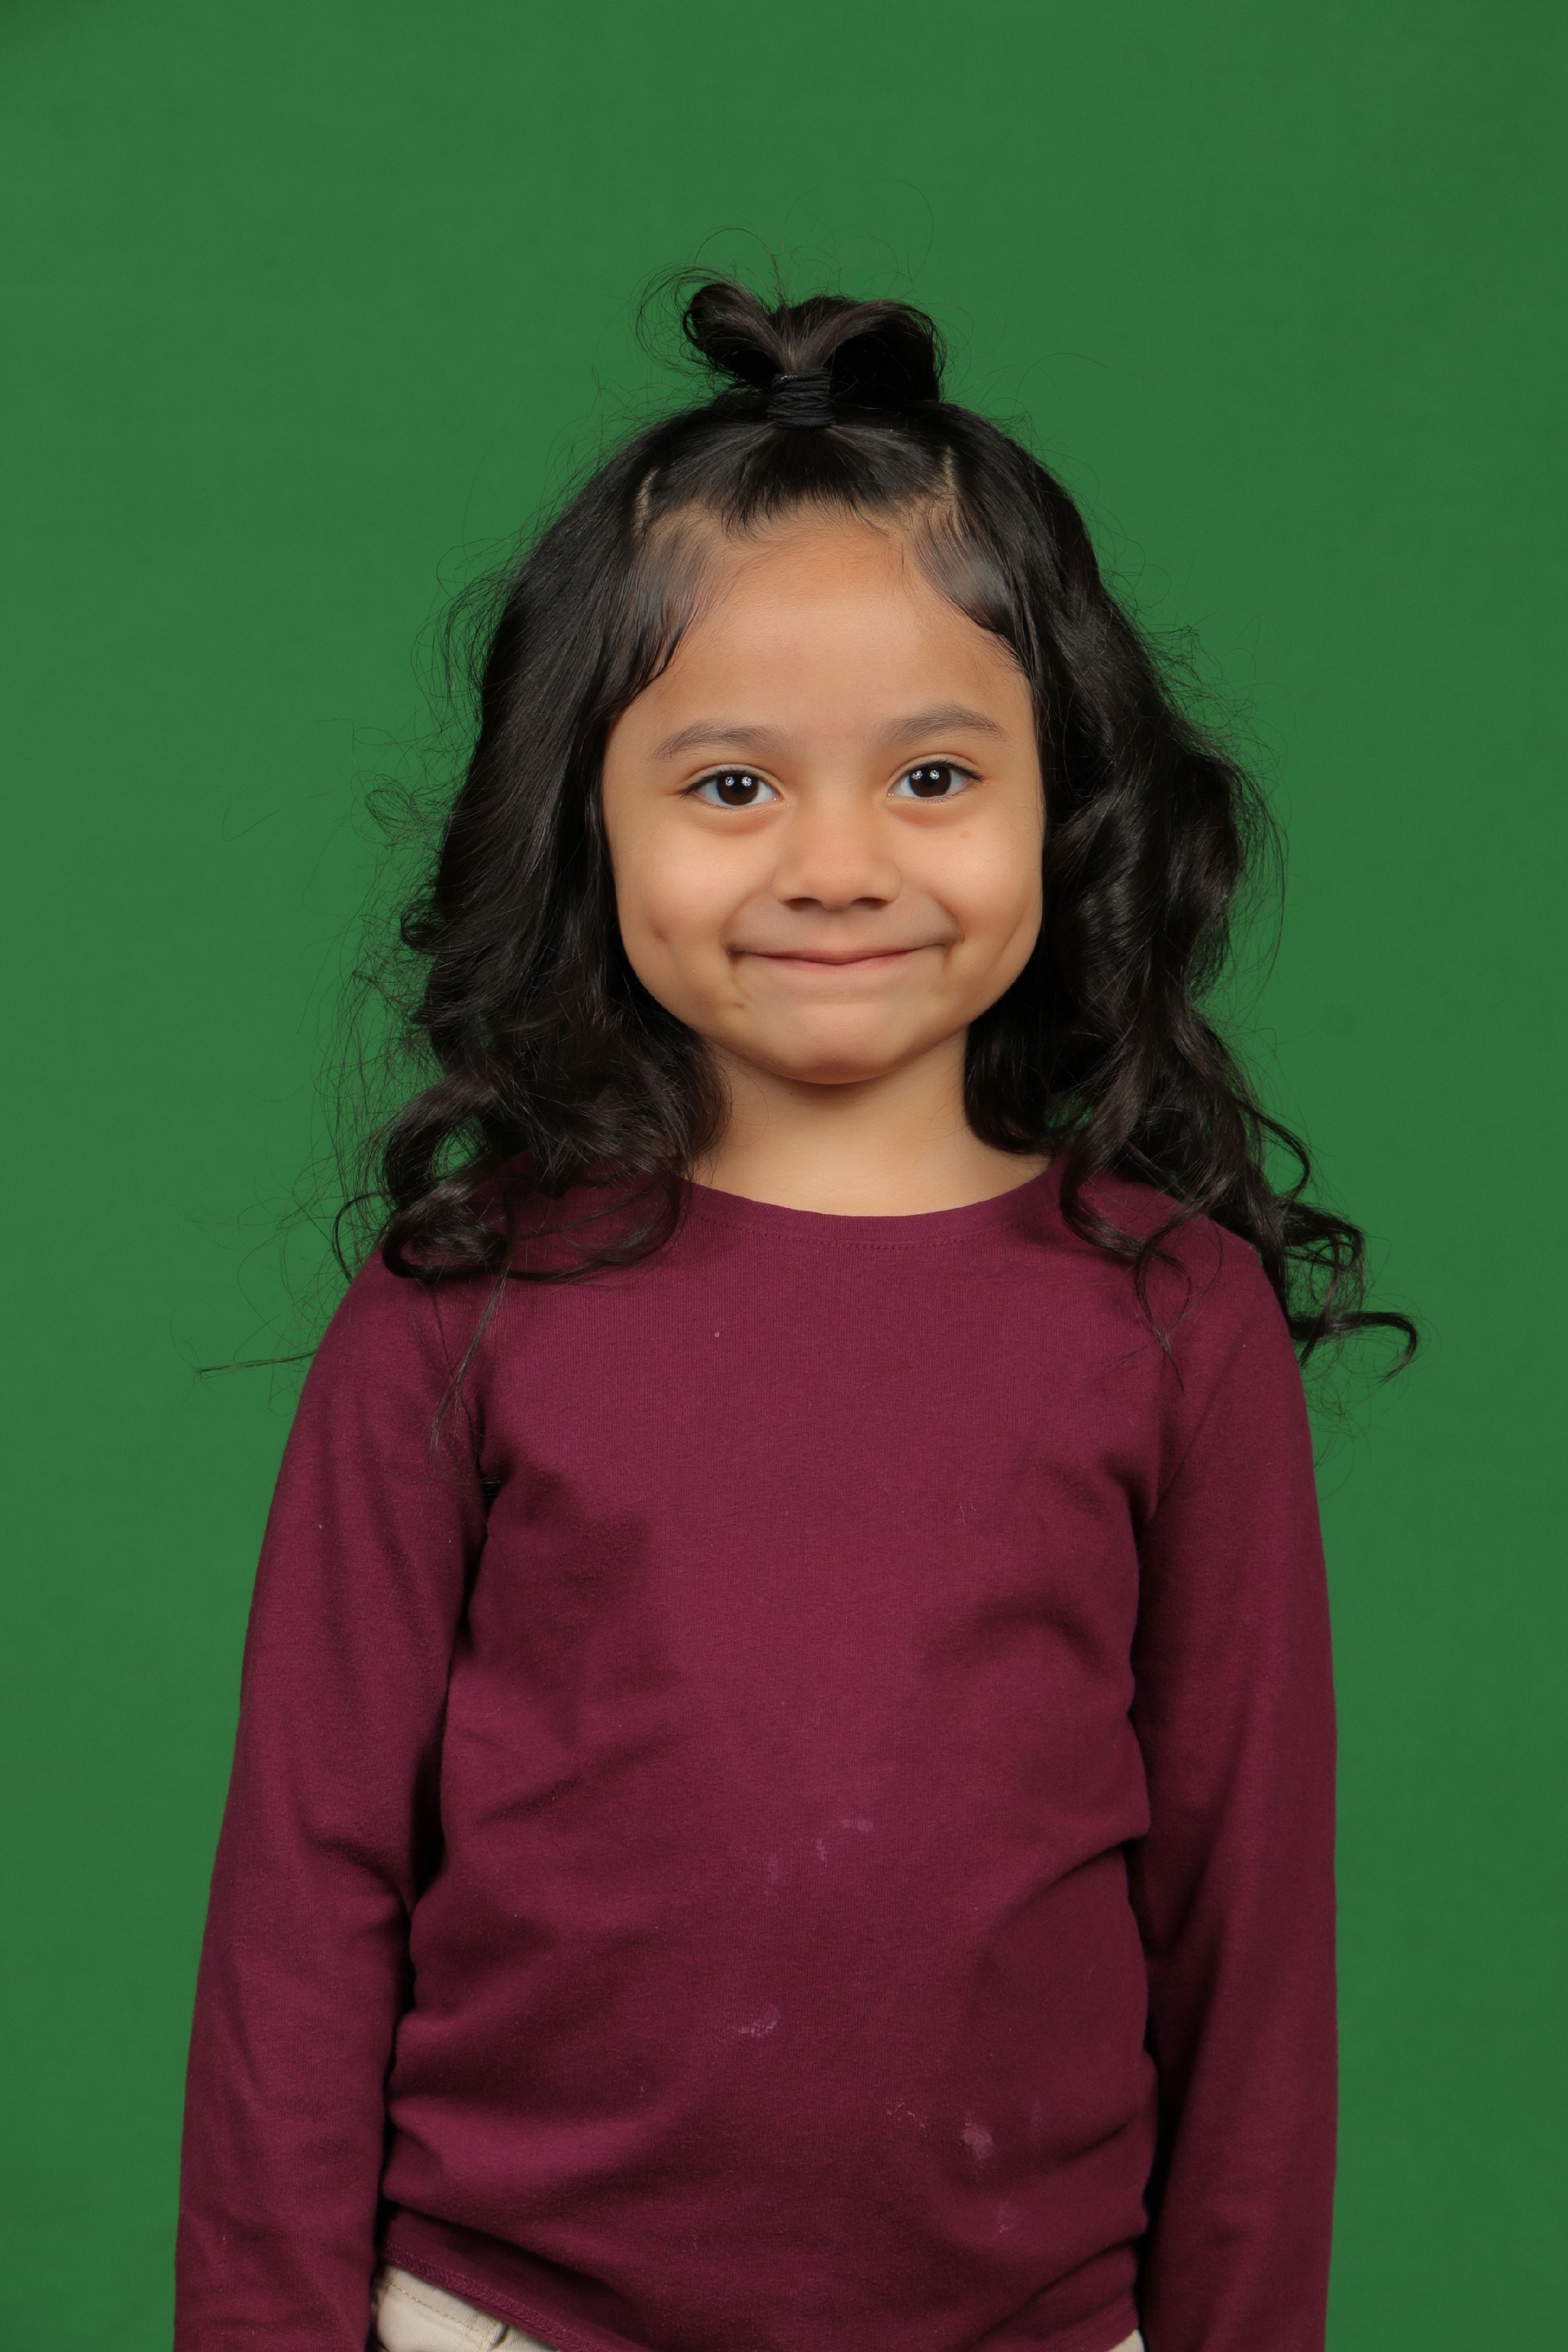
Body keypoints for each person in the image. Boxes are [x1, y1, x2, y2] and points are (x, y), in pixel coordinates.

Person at [175, 279, 1412, 2352]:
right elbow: (302, 1909)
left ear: (1064, 801)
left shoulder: (1172, 1322)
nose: (838, 865)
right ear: (585, 818)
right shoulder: (455, 1317)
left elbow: (1248, 1934)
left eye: (932, 773)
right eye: (733, 787)